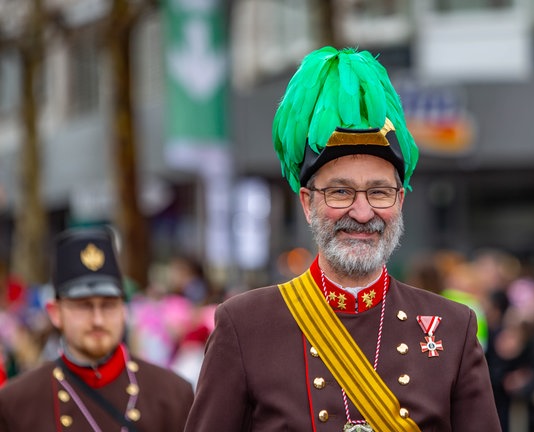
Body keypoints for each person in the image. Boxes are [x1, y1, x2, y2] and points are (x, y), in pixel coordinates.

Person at [184, 46, 501, 432]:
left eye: (379, 192)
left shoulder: (454, 327)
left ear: (399, 201)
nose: (363, 213)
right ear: (307, 202)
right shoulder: (244, 325)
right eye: (340, 192)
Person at [0, 227, 194, 431]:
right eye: (83, 305)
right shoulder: (17, 403)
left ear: (123, 309)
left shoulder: (173, 395)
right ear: (55, 313)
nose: (98, 320)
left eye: (109, 305)